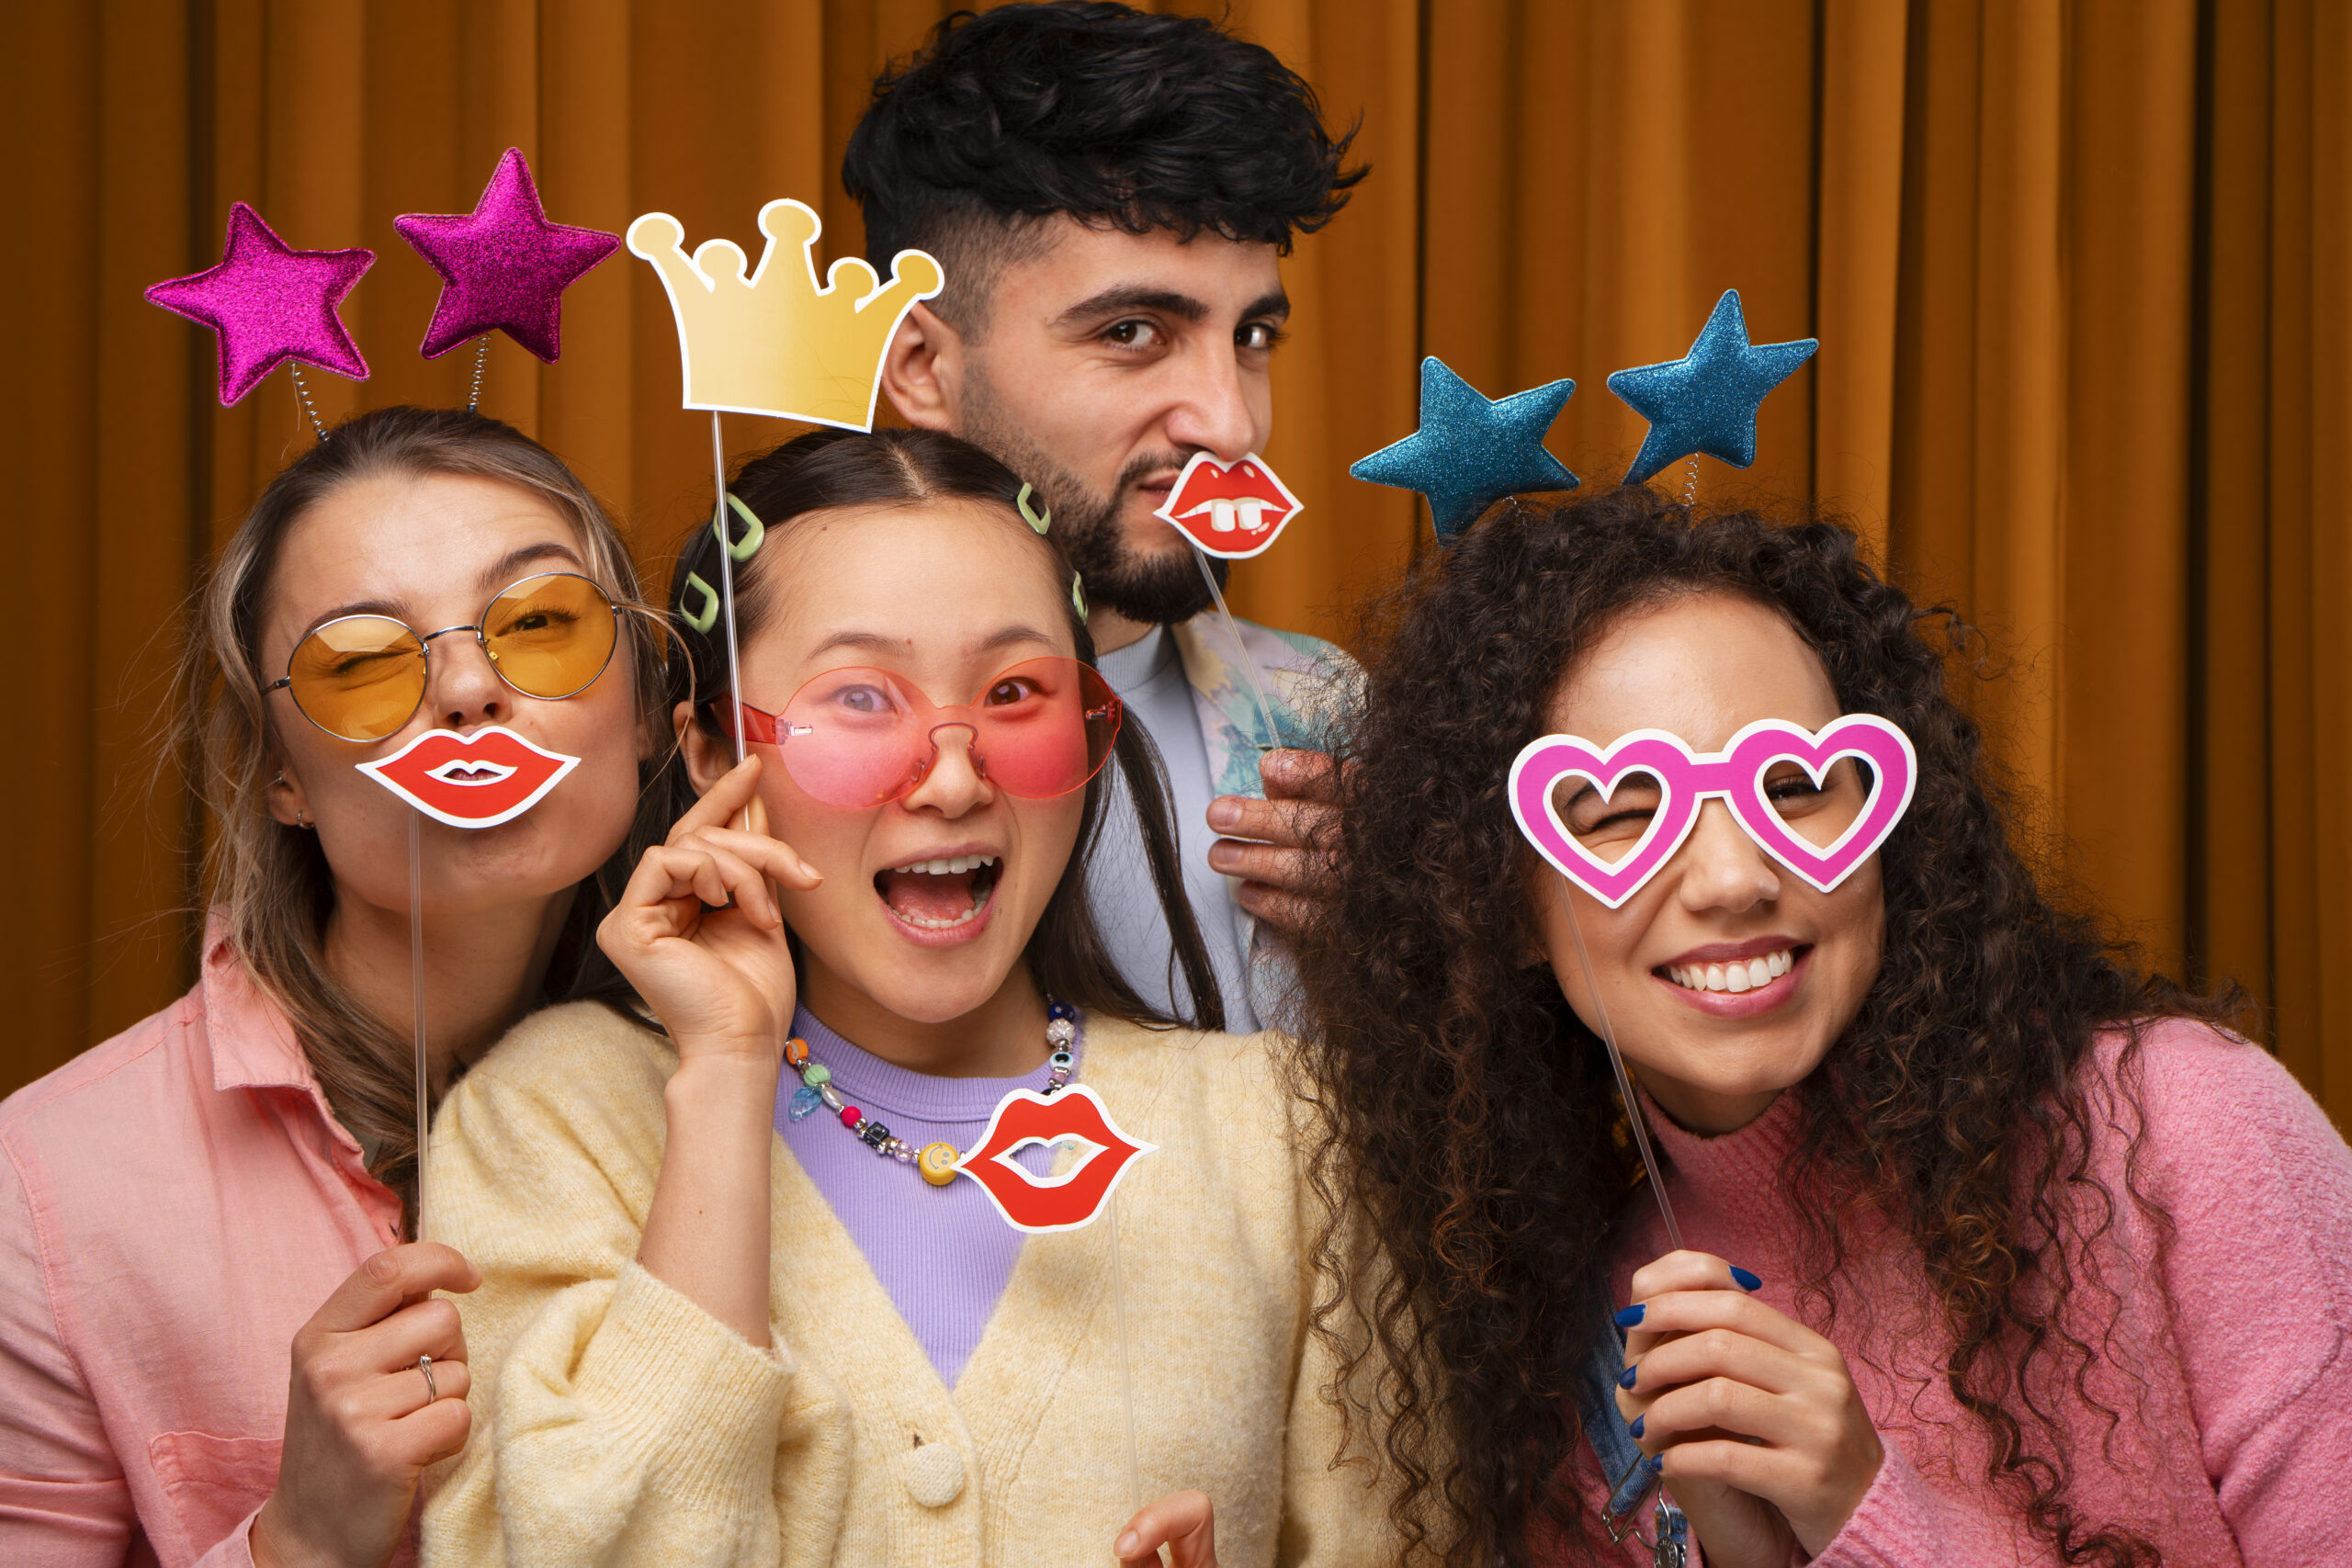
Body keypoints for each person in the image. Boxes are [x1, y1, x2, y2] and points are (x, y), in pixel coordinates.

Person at [1288, 485, 2352, 1566]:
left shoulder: (2177, 1131)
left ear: (1895, 825)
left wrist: (1864, 1511)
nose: (1735, 879)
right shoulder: (1584, 1350)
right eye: (1619, 813)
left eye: (1793, 789)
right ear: (1502, 906)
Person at [418, 428, 1387, 1567]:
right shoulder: (551, 1119)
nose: (954, 776)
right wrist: (728, 1074)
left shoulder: (1288, 1137)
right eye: (862, 699)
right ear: (709, 747)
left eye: (1016, 692)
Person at [0, 407, 670, 1568]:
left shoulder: (792, 1092)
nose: (465, 691)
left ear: (651, 707)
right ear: (279, 778)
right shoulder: (47, 1188)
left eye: (542, 623)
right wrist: (295, 1540)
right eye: (362, 663)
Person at [849, 1, 1366, 1029]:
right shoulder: (769, 730)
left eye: (1252, 334)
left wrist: (1403, 956)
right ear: (920, 367)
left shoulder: (1332, 718)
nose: (1230, 424)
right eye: (1133, 331)